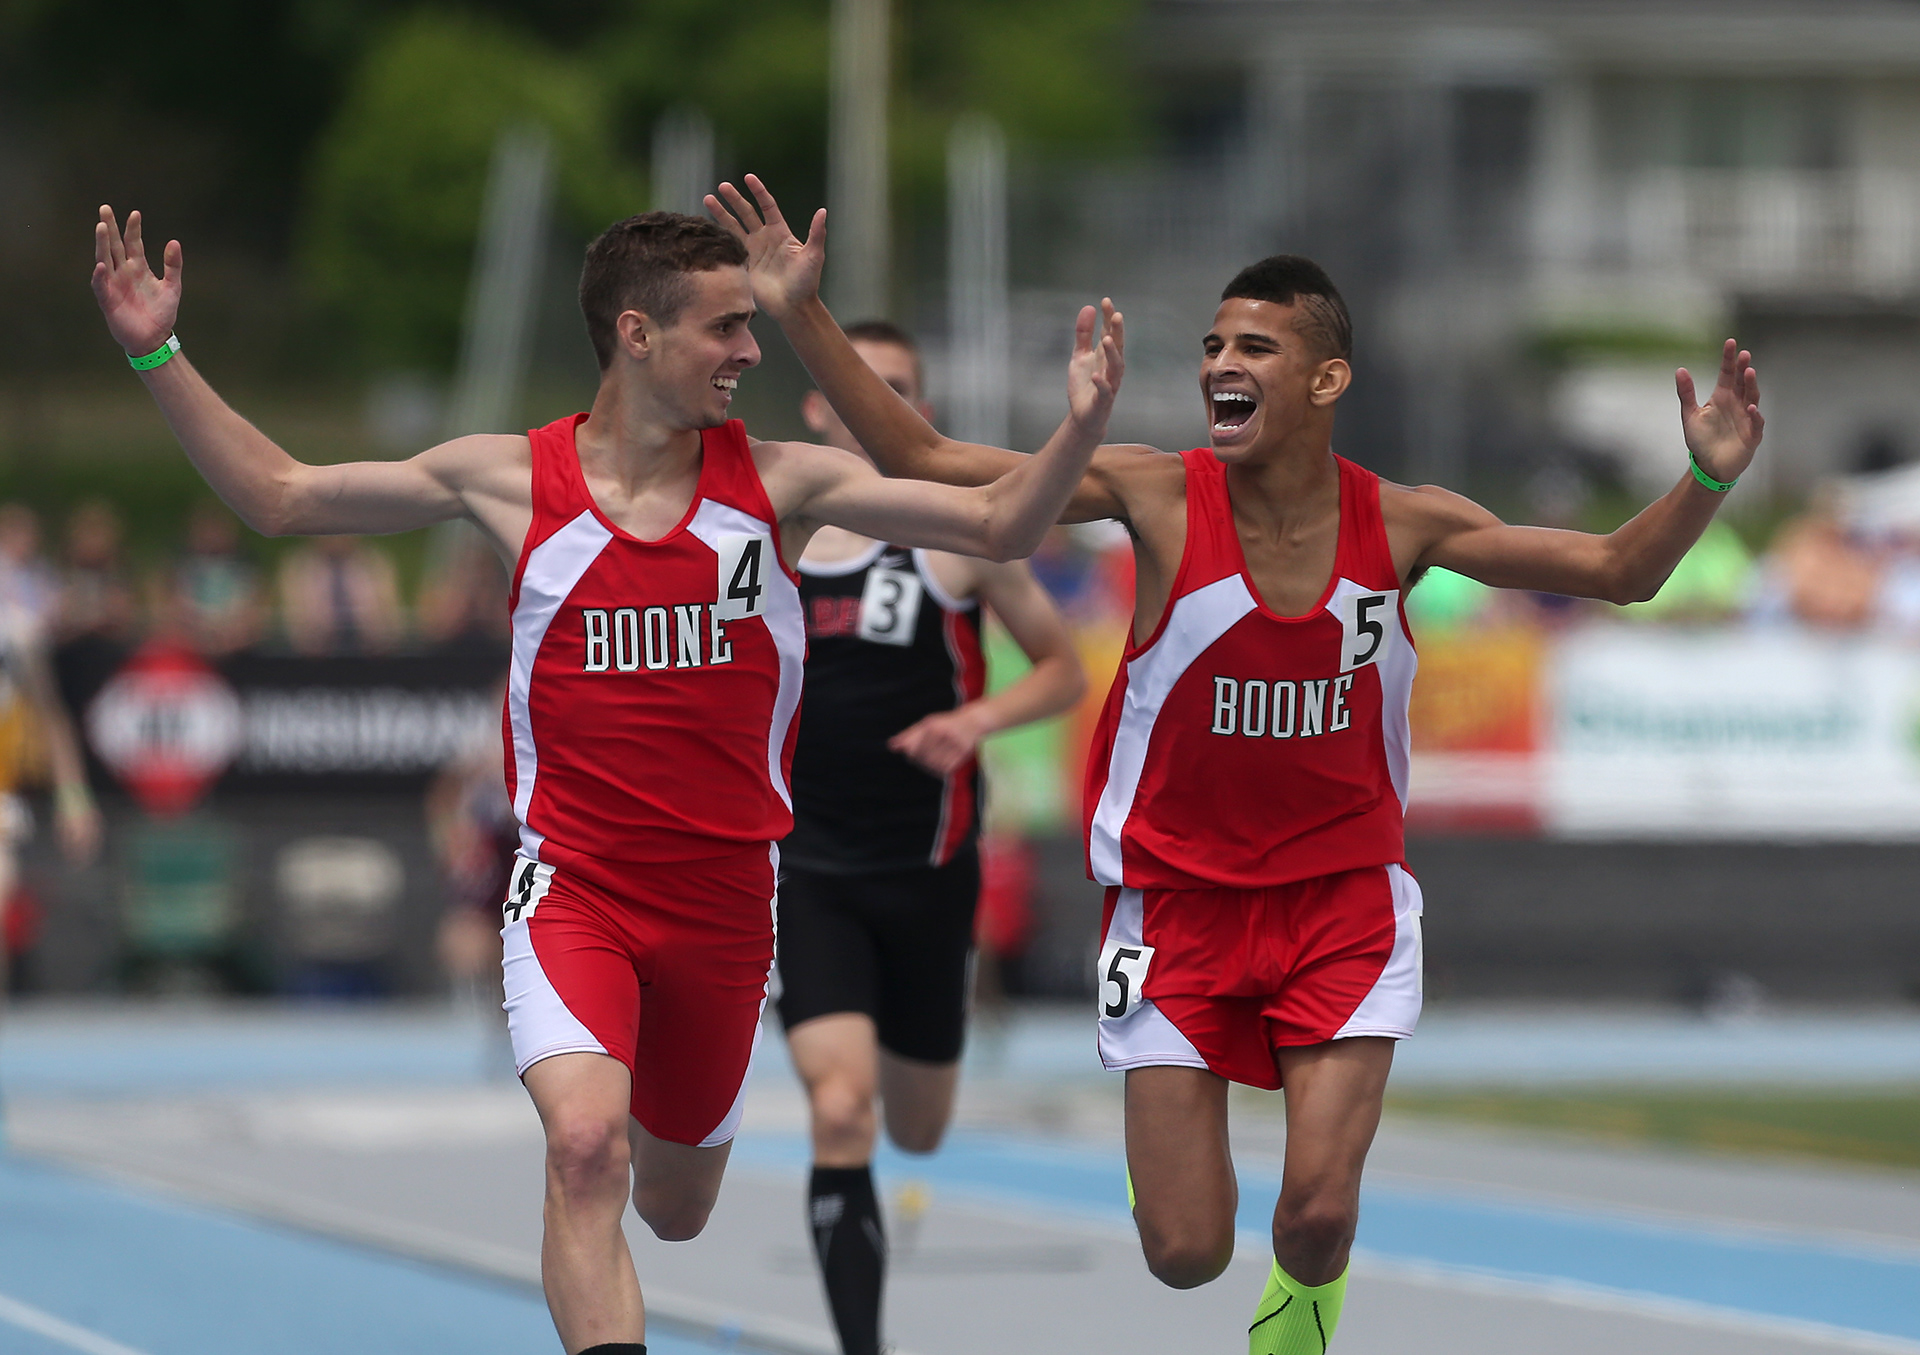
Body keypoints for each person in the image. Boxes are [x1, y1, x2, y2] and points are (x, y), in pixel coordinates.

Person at [711, 174, 1763, 1355]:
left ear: (1327, 379)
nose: (1224, 359)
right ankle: (1163, 1176)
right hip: (1177, 907)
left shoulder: (1405, 524)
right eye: (1213, 342)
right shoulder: (1159, 495)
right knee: (1185, 1250)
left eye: (1255, 344)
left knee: (1315, 1214)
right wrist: (800, 312)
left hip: (1344, 902)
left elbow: (1621, 569)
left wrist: (1710, 475)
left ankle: (1303, 1314)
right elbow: (928, 451)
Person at [91, 202, 1122, 1355]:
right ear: (637, 333)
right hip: (575, 888)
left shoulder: (785, 481)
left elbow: (998, 519)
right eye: (727, 328)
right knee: (585, 1147)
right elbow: (282, 495)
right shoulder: (507, 479)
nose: (748, 351)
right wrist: (153, 350)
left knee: (676, 1207)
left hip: (728, 900)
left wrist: (1079, 428)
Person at [778, 320, 1086, 1355]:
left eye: (901, 390)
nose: (882, 405)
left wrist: (975, 721)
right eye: (862, 387)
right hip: (808, 871)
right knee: (840, 1108)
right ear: (820, 405)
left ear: (924, 412)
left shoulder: (958, 540)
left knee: (917, 1125)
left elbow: (1061, 666)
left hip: (928, 872)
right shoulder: (770, 541)